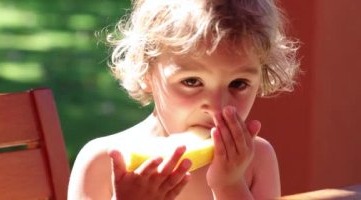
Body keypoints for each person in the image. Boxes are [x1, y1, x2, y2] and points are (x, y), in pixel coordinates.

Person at [68, 0, 300, 199]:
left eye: (238, 84)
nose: (218, 108)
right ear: (147, 72)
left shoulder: (256, 160)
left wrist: (230, 186)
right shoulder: (102, 161)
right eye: (192, 82)